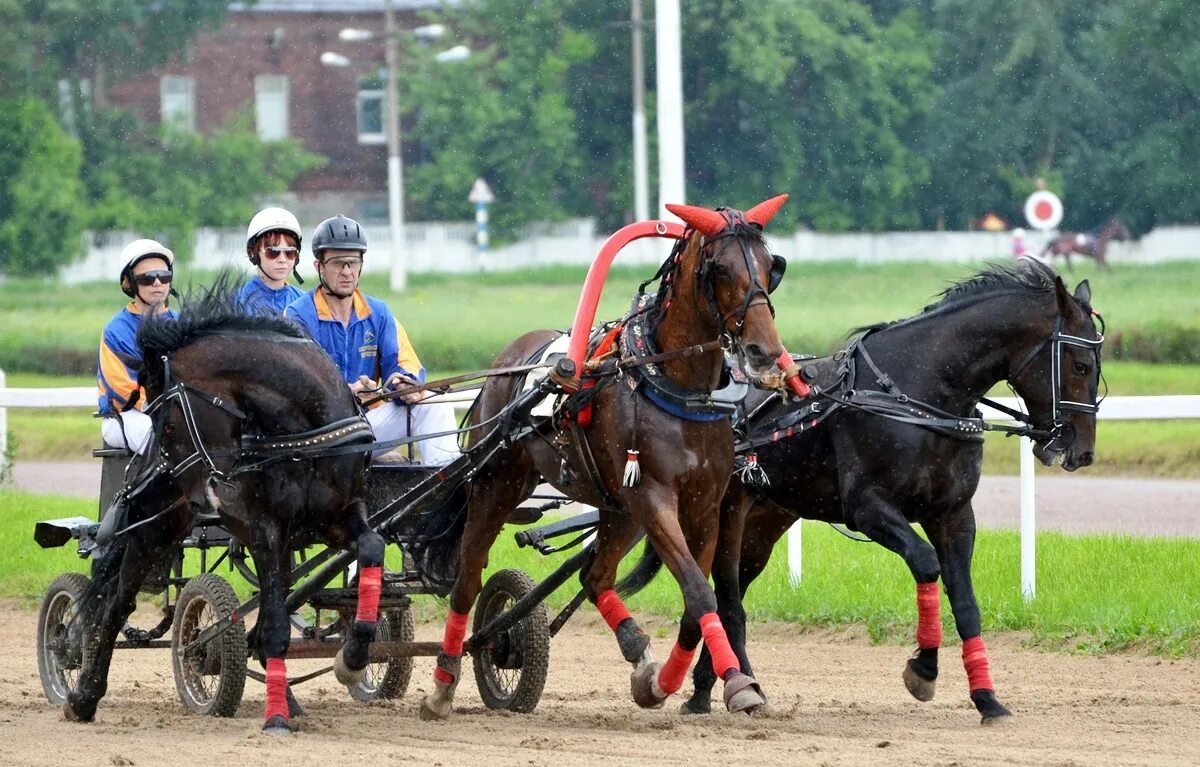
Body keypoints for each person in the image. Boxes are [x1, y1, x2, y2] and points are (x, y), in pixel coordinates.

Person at [285, 214, 460, 466]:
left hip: (366, 428)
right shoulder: (297, 315)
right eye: (337, 263)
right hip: (319, 435)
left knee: (436, 404)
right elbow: (295, 388)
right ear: (319, 266)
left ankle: (446, 489)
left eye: (353, 262)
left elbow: (403, 364)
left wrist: (403, 385)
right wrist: (349, 392)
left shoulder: (379, 313)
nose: (347, 272)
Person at [97, 238, 178, 453]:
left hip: (178, 411)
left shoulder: (182, 324)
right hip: (127, 416)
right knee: (153, 432)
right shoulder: (116, 330)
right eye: (148, 278)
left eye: (164, 276)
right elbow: (122, 386)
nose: (158, 283)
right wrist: (167, 409)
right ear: (129, 283)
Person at [238, 206, 305, 313]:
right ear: (252, 253)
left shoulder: (305, 303)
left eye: (290, 252)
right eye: (273, 252)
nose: (282, 259)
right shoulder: (238, 303)